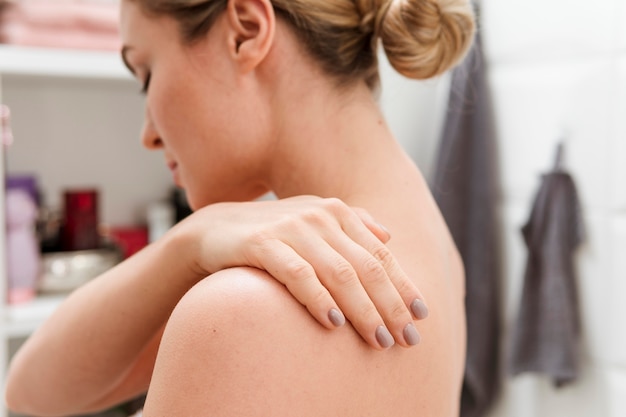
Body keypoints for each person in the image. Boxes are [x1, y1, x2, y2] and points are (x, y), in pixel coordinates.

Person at [5, 0, 475, 415]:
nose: (147, 133)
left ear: (246, 30)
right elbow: (33, 389)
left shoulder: (242, 314)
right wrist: (188, 241)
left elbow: (26, 397)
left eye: (146, 73)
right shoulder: (436, 246)